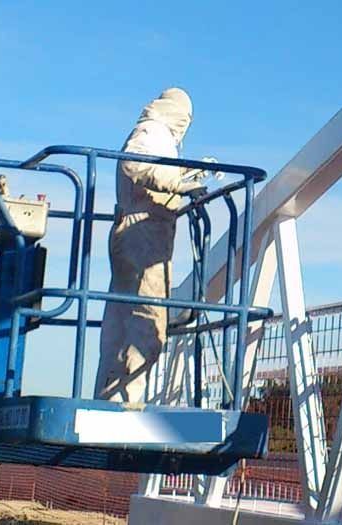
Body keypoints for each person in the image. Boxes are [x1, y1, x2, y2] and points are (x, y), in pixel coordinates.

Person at [95, 88, 205, 402]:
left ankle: (110, 400)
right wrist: (177, 184)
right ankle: (129, 404)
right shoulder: (151, 131)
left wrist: (186, 173)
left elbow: (151, 171)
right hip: (143, 235)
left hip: (137, 233)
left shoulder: (156, 134)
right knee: (148, 323)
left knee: (120, 324)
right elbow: (135, 164)